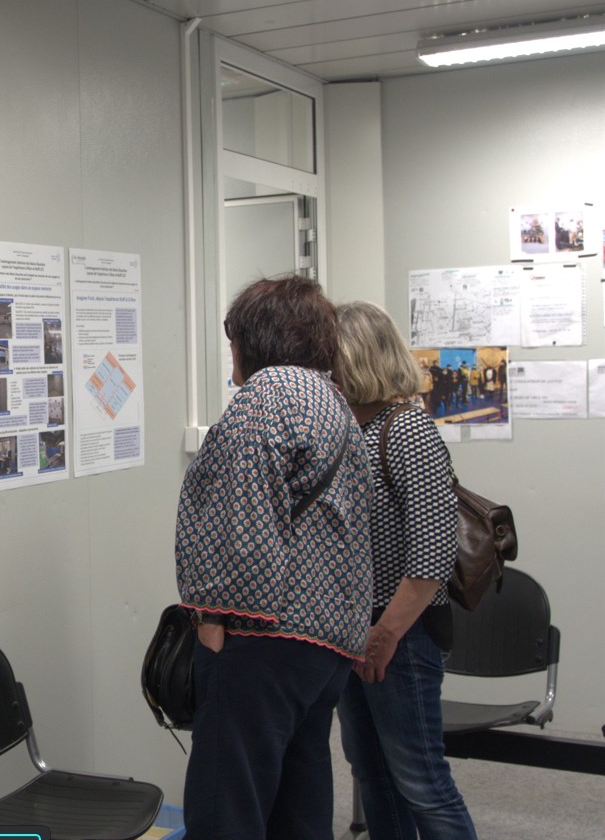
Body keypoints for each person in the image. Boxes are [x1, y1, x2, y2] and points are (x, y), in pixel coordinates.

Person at [175, 275, 372, 840]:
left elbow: (244, 522)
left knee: (226, 807)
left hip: (264, 642)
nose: (230, 355)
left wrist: (215, 618)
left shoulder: (262, 400)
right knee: (300, 804)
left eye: (232, 339)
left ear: (253, 341)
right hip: (326, 644)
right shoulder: (331, 402)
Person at [332, 301, 477, 840]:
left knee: (421, 781)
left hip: (404, 634)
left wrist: (385, 634)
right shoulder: (347, 431)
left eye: (332, 359)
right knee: (372, 774)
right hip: (356, 630)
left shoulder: (408, 430)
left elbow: (433, 555)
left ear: (358, 359)